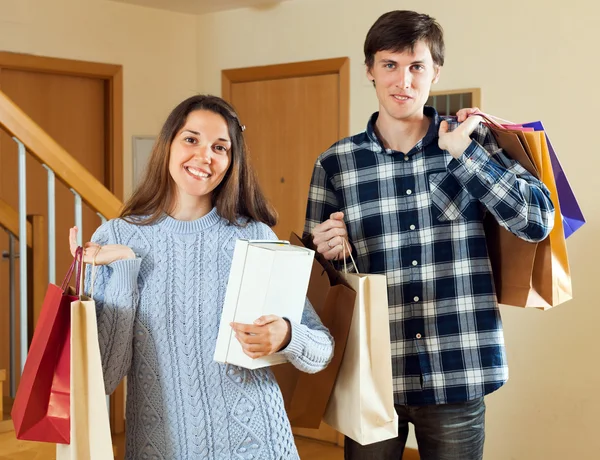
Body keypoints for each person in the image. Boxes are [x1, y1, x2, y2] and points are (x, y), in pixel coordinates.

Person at [304, 10, 554, 460]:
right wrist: (325, 253)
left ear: (435, 71)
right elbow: (315, 280)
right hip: (370, 374)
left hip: (459, 366)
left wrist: (466, 157)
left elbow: (537, 221)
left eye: (417, 66)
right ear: (370, 71)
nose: (404, 80)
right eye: (389, 65)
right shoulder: (335, 164)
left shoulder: (473, 142)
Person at [69, 94, 334, 460]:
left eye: (220, 147)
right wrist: (126, 270)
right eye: (191, 139)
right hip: (160, 449)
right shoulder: (115, 239)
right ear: (168, 145)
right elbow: (103, 377)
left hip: (257, 443)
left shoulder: (254, 236)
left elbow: (321, 350)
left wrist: (287, 334)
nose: (204, 156)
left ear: (231, 161)